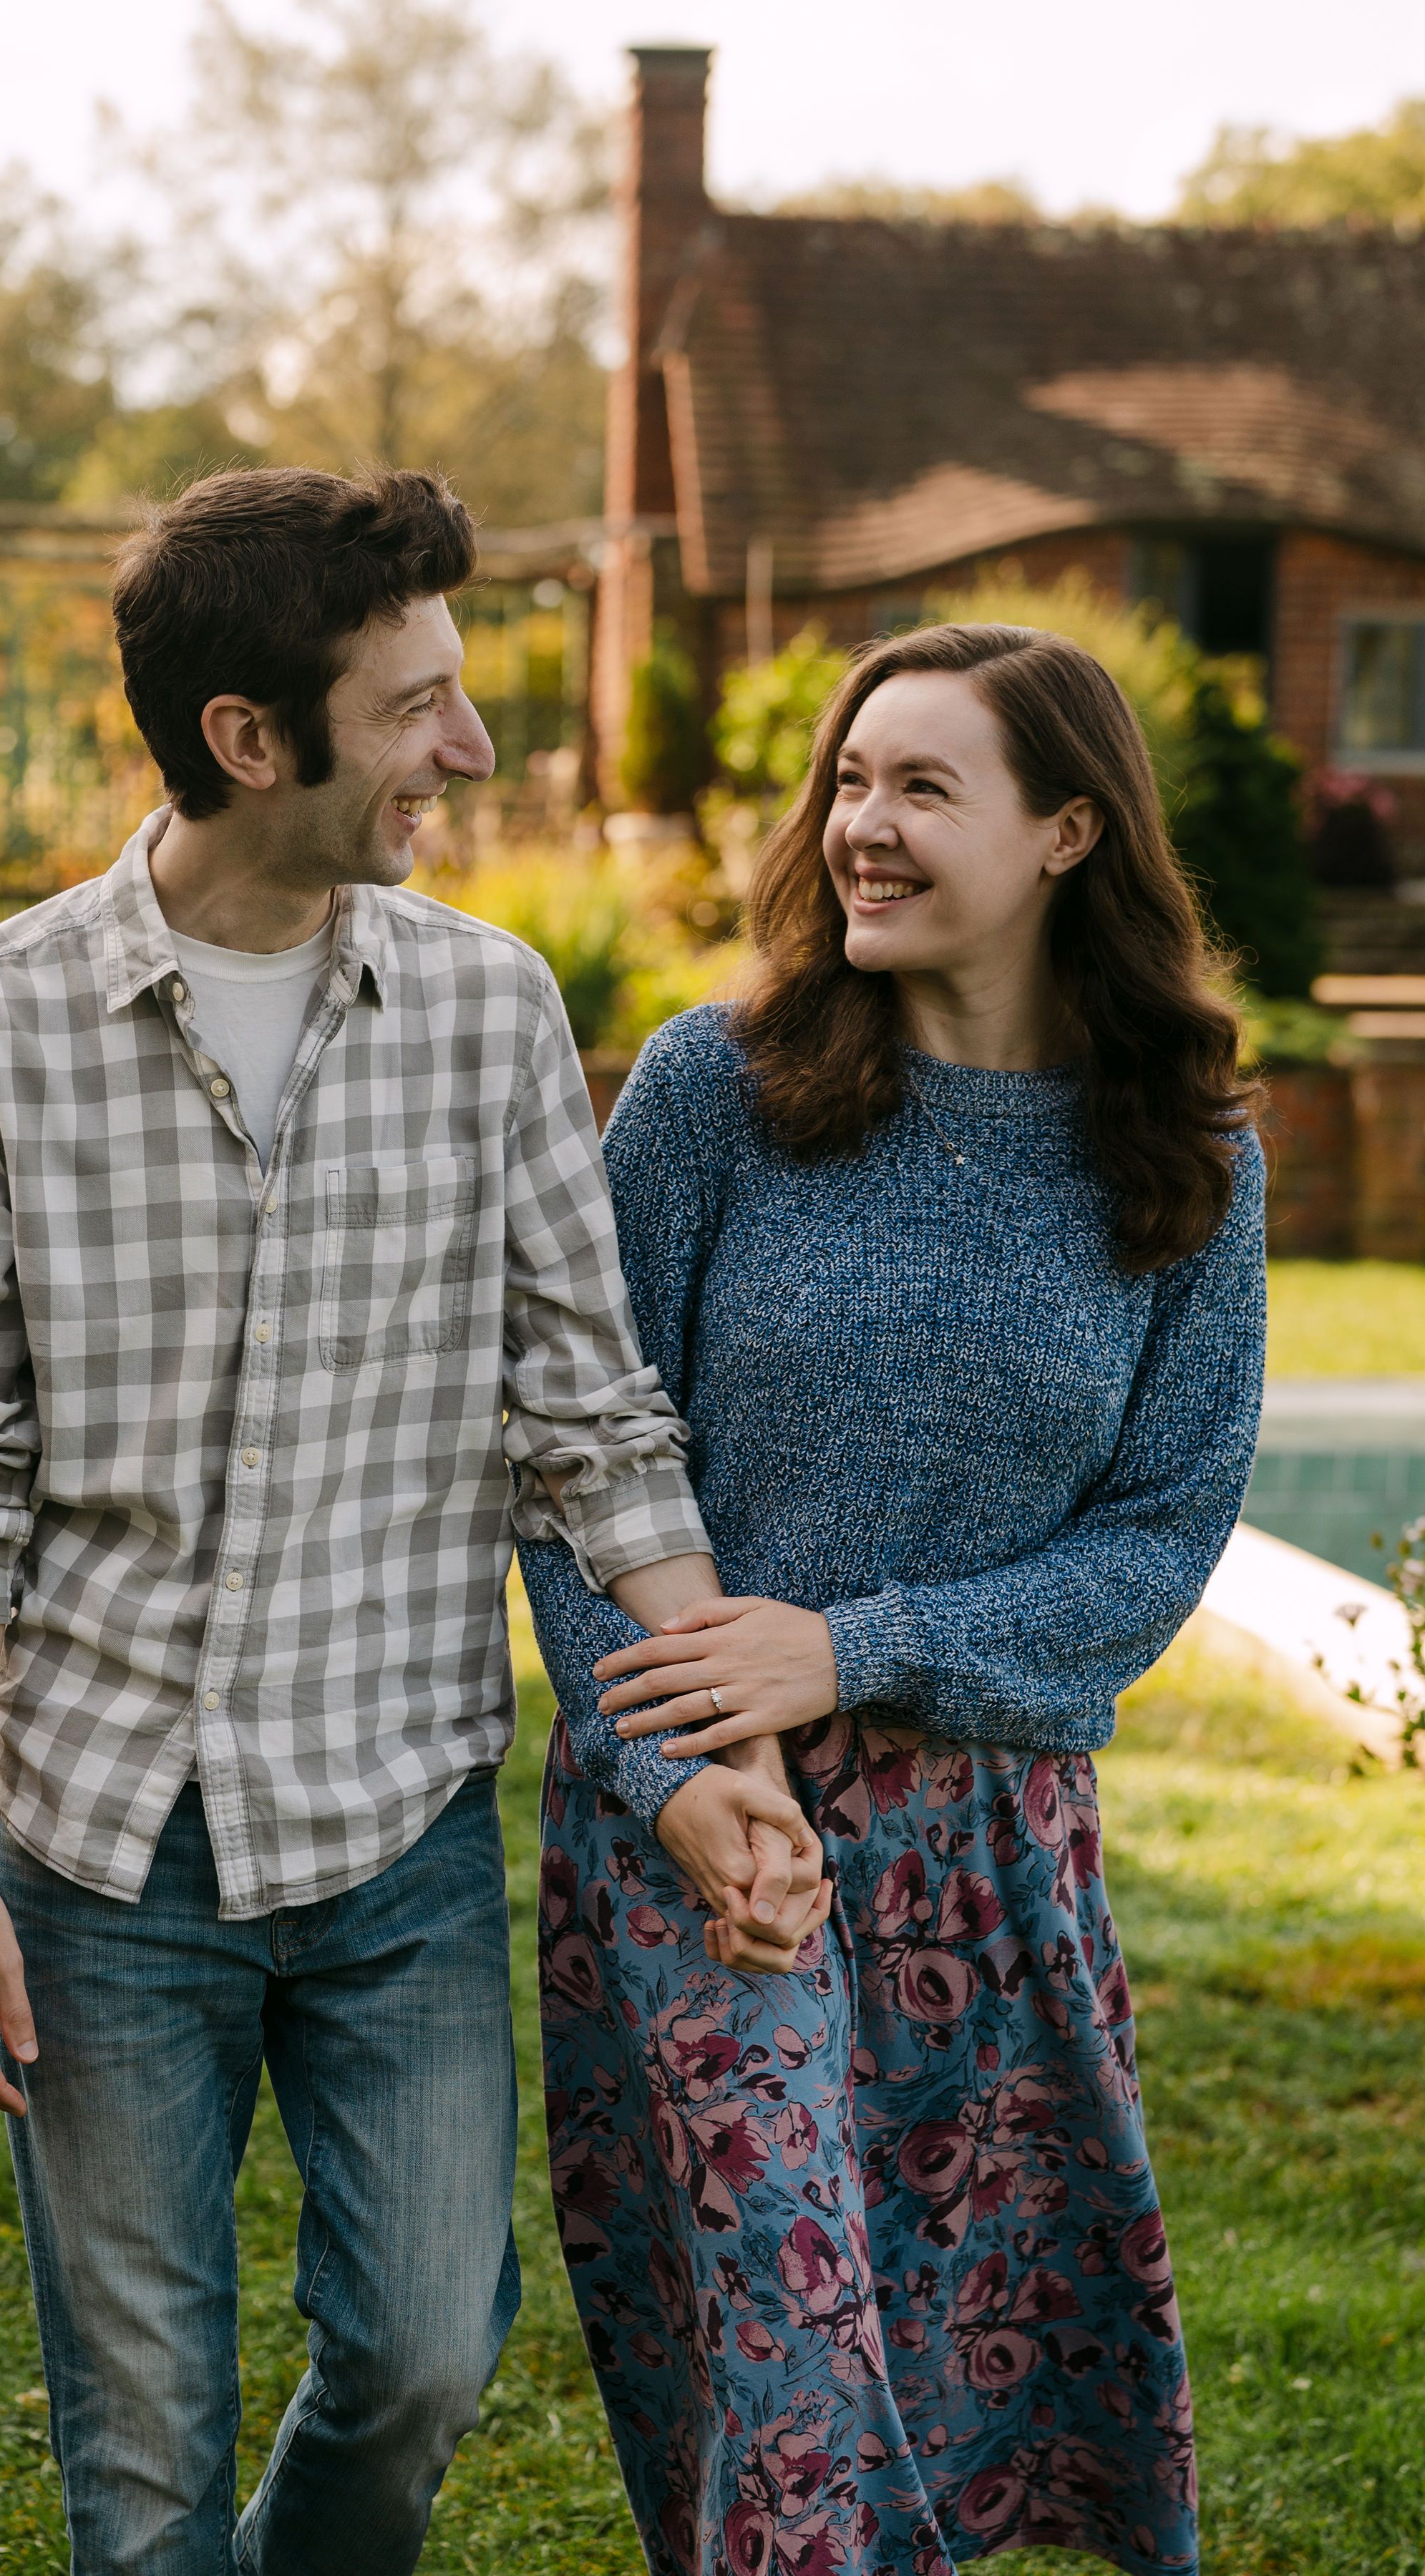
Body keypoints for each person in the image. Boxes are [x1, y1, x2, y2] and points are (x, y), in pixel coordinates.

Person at [0, 464, 825, 2576]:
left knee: (421, 2356)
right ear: (248, 736)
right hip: (104, 1844)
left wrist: (732, 1744)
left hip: (396, 1826)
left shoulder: (489, 1009)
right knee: (143, 2460)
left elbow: (595, 1421)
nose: (467, 749)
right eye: (416, 706)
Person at [519, 620, 1266, 2576]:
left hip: (991, 1850)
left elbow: (1161, 1534)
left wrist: (857, 1645)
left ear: (1070, 831)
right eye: (849, 782)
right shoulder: (717, 1089)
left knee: (935, 2362)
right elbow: (574, 1458)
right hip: (710, 1822)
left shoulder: (1184, 1150)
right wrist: (673, 1766)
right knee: (788, 2368)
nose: (862, 823)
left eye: (923, 786)